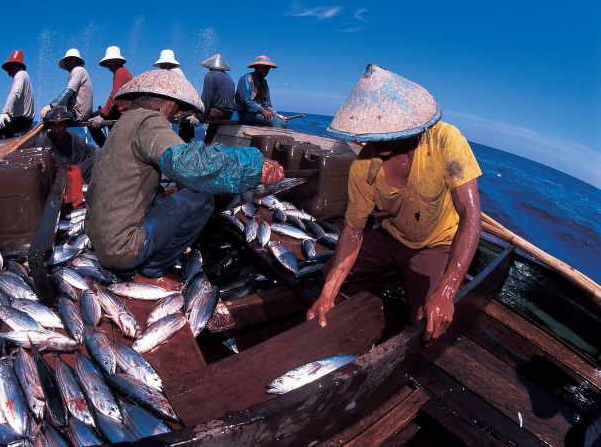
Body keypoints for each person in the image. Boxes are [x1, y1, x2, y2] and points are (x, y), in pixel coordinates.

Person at [306, 64, 482, 342]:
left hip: (436, 244)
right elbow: (353, 231)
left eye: (387, 128)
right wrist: (327, 294)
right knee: (328, 274)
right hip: (392, 237)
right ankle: (387, 285)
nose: (379, 138)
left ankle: (409, 287)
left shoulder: (446, 140)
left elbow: (471, 216)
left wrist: (447, 291)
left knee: (428, 321)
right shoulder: (363, 166)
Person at [85, 69, 284, 281]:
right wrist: (252, 165)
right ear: (168, 103)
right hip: (122, 249)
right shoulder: (150, 121)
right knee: (203, 200)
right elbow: (188, 163)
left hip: (101, 239)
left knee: (173, 194)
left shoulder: (125, 121)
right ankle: (153, 269)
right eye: (177, 109)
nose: (174, 115)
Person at [34, 106, 98, 182]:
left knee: (97, 158)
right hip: (54, 181)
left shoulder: (73, 138)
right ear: (50, 126)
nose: (57, 129)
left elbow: (93, 151)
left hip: (71, 174)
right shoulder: (42, 142)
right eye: (54, 125)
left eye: (60, 124)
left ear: (65, 125)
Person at [0, 49, 34, 143]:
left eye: (11, 67)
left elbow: (15, 93)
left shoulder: (20, 74)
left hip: (21, 120)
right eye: (8, 67)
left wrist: (5, 112)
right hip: (25, 120)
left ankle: (3, 152)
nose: (9, 70)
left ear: (17, 66)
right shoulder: (24, 76)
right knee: (6, 131)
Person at [88, 46, 133, 147]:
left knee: (92, 123)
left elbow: (114, 95)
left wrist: (102, 115)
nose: (108, 64)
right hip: (121, 110)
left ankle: (105, 148)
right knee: (94, 117)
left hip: (121, 113)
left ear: (117, 61)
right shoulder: (123, 72)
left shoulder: (120, 72)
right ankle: (108, 147)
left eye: (110, 61)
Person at [41, 48, 93, 123]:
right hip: (82, 113)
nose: (67, 62)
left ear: (77, 61)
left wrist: (51, 106)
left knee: (47, 116)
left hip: (77, 114)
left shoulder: (77, 70)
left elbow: (68, 92)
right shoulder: (79, 71)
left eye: (71, 59)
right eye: (66, 60)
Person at [235, 54, 287, 129]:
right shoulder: (247, 78)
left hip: (258, 114)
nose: (265, 71)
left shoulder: (264, 83)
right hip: (245, 114)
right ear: (256, 67)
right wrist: (262, 110)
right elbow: (246, 102)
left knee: (282, 121)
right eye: (262, 68)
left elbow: (267, 105)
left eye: (267, 68)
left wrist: (276, 115)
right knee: (279, 123)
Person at [199, 53, 236, 144]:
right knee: (213, 123)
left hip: (217, 112)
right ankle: (206, 143)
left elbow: (206, 99)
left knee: (187, 116)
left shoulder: (210, 75)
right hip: (228, 114)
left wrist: (198, 115)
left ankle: (187, 143)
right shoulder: (230, 78)